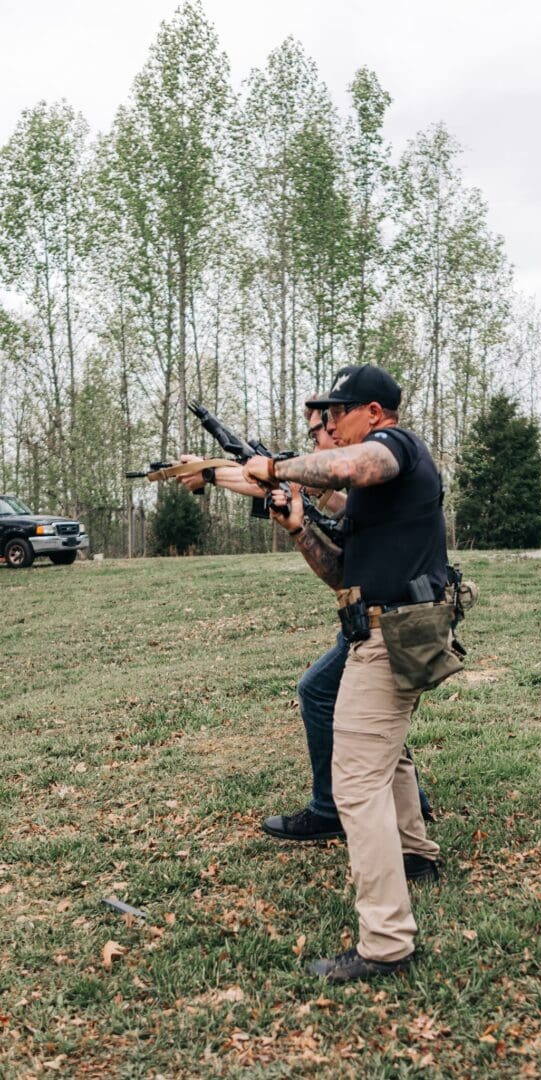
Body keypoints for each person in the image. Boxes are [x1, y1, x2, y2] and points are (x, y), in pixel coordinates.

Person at [244, 363, 447, 982]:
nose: (329, 426)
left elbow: (346, 467)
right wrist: (300, 527)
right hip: (382, 630)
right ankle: (415, 853)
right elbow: (341, 574)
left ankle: (386, 942)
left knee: (355, 787)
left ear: (375, 414)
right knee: (389, 755)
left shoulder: (397, 449)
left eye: (338, 414)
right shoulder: (371, 498)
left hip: (393, 638)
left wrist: (276, 468)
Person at [177, 411, 433, 851]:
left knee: (325, 695)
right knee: (370, 717)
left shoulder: (371, 467)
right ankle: (412, 823)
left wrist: (215, 472)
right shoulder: (350, 481)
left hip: (393, 619)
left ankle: (335, 811)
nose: (320, 438)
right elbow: (289, 492)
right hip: (375, 614)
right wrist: (221, 476)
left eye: (322, 429)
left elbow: (288, 480)